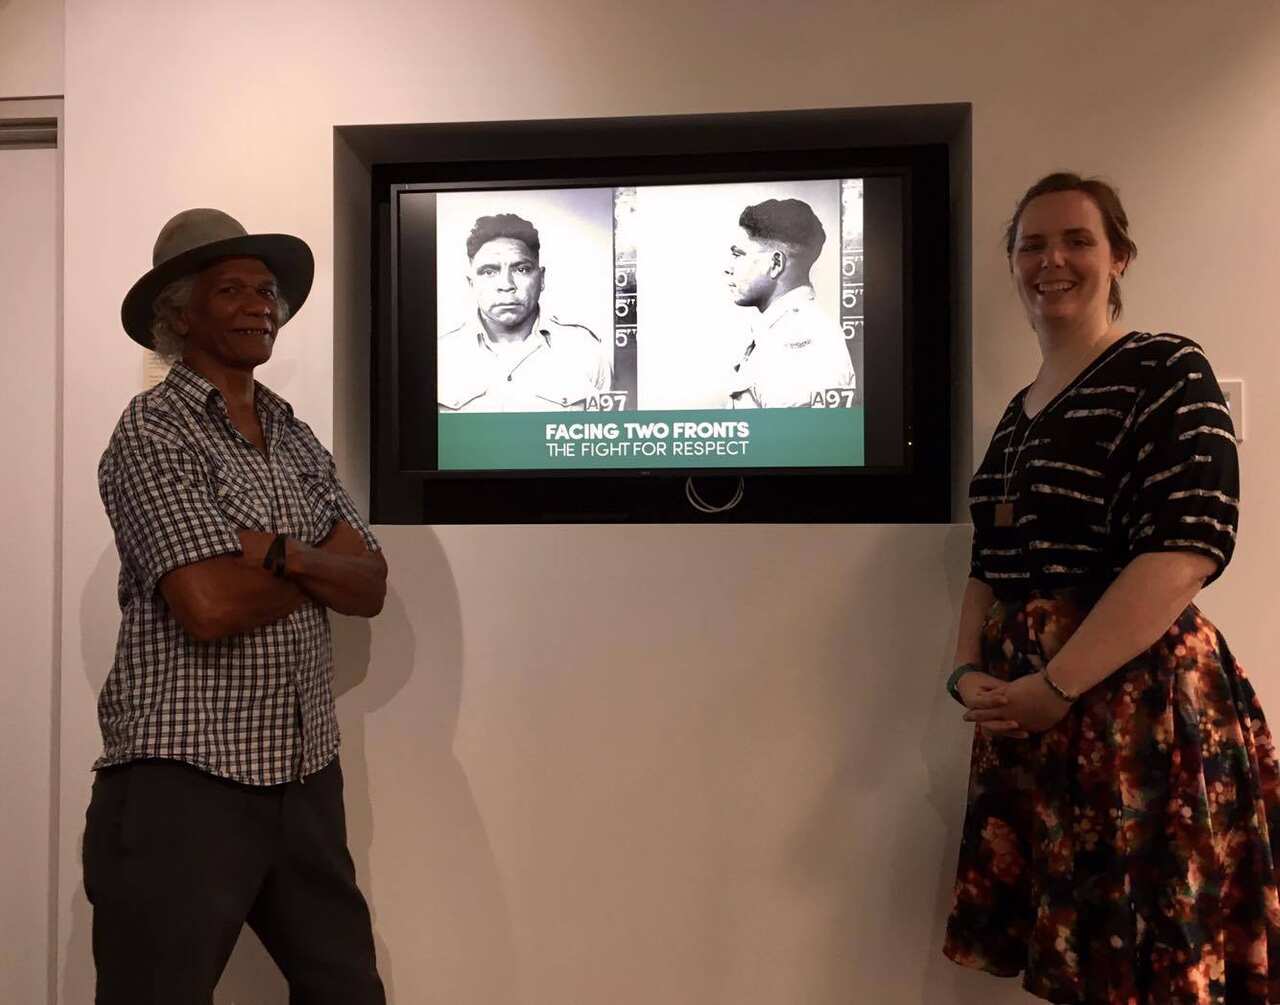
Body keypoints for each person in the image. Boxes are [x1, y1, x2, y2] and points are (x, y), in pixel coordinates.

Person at [943, 173, 1280, 1003]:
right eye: (1031, 244)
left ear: (1119, 256)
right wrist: (963, 672)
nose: (1050, 259)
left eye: (1077, 240)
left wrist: (1056, 685)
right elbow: (992, 559)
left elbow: (1185, 549)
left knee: (1153, 960)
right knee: (1083, 960)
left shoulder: (1164, 368)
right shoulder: (1019, 413)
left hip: (1134, 708)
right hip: (1033, 714)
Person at [86, 208, 389, 1003]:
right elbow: (209, 603)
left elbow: (372, 584)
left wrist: (277, 549)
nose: (262, 304)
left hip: (302, 774)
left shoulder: (293, 435)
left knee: (347, 990)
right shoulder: (153, 432)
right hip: (183, 783)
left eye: (267, 291)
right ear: (178, 314)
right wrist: (319, 563)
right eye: (233, 290)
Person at [437, 212, 612, 412]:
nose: (506, 285)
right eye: (488, 272)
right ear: (471, 283)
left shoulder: (585, 351)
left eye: (521, 269)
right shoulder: (440, 356)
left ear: (542, 279)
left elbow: (602, 435)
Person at [723, 198, 855, 408]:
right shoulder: (783, 329)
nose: (728, 268)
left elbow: (801, 439)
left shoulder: (801, 336)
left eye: (738, 254)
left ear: (776, 264)